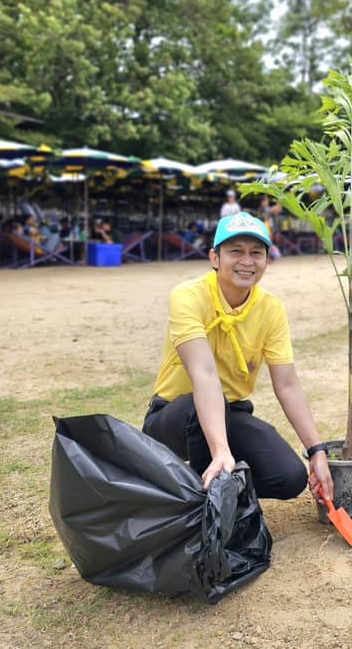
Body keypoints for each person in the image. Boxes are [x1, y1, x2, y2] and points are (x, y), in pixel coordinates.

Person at [142, 211, 334, 504]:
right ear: (215, 258)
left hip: (231, 413)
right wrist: (220, 450)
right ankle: (200, 504)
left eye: (256, 253)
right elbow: (203, 374)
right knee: (199, 408)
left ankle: (227, 494)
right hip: (174, 417)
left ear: (267, 261)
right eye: (236, 252)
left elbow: (287, 385)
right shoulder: (188, 296)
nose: (247, 261)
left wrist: (316, 450)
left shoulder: (271, 309)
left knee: (289, 477)